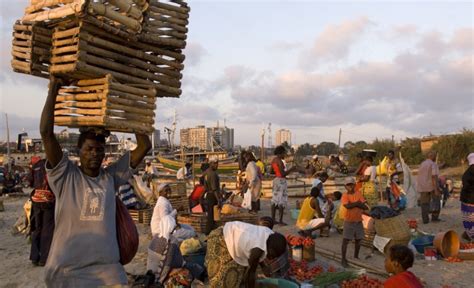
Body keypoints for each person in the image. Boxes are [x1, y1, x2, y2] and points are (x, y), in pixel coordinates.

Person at [40, 77, 151, 286]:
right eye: (89, 149)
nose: (94, 154)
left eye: (99, 150)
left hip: (108, 271)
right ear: (78, 152)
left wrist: (131, 102)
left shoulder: (111, 177)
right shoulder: (66, 175)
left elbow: (144, 146)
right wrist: (54, 89)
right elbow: (46, 133)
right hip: (67, 271)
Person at [205, 221, 287, 288]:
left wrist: (263, 266)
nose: (272, 258)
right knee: (223, 277)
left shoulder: (270, 235)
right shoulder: (257, 250)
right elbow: (251, 273)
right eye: (272, 255)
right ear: (270, 248)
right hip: (221, 239)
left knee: (238, 273)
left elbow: (260, 254)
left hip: (234, 234)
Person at [147, 215, 204, 285]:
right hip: (160, 277)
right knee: (194, 268)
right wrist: (160, 282)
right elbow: (170, 263)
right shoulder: (173, 241)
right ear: (171, 227)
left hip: (150, 274)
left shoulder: (155, 237)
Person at [29, 158, 55, 267]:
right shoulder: (51, 165)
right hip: (48, 201)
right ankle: (44, 259)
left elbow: (30, 182)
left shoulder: (35, 166)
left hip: (36, 201)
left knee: (37, 228)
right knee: (47, 230)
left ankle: (34, 257)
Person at [341, 177, 368, 267]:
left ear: (354, 185)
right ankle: (343, 259)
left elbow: (364, 206)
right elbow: (348, 206)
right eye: (348, 185)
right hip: (349, 221)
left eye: (352, 185)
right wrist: (357, 204)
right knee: (346, 240)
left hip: (358, 220)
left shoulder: (358, 193)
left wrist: (356, 204)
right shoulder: (345, 196)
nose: (350, 187)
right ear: (345, 186)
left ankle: (356, 256)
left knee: (359, 239)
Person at [271, 145, 296, 225]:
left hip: (276, 180)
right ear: (280, 153)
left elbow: (271, 171)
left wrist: (277, 172)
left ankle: (273, 219)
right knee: (281, 201)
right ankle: (280, 221)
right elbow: (283, 174)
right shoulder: (280, 161)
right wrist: (292, 169)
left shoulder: (274, 160)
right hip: (281, 181)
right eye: (284, 153)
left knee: (274, 200)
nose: (284, 155)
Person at [416, 151, 441, 224]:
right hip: (431, 186)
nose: (435, 157)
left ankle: (425, 219)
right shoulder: (433, 164)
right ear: (432, 156)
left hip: (422, 187)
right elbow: (434, 177)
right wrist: (436, 189)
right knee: (436, 201)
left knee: (424, 203)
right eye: (435, 156)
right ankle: (434, 217)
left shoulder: (422, 164)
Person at [203, 157, 222, 235]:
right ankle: (207, 233)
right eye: (215, 163)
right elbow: (214, 189)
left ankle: (210, 233)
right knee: (212, 217)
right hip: (212, 196)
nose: (217, 165)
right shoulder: (213, 174)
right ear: (211, 164)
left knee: (210, 215)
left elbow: (204, 185)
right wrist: (218, 200)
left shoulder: (206, 172)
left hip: (208, 195)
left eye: (217, 163)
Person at [461, 153, 474, 241]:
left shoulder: (467, 172)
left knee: (469, 221)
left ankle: (468, 234)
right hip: (471, 200)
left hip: (466, 200)